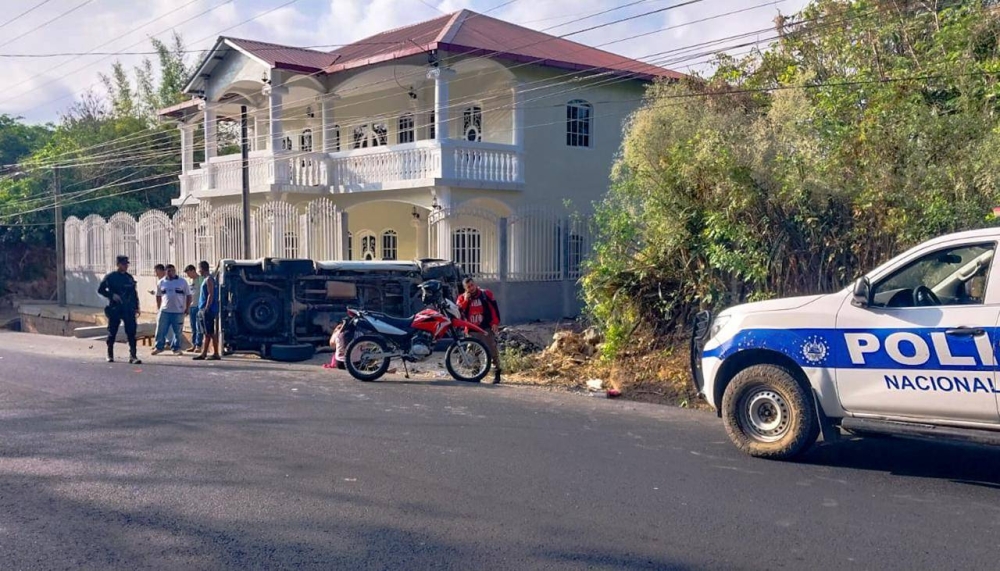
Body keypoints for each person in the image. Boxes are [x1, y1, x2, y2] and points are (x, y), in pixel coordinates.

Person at [97, 255, 142, 364]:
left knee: (131, 332)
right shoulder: (111, 277)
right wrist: (112, 295)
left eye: (127, 264)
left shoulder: (129, 278)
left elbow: (134, 293)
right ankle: (110, 354)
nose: (126, 266)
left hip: (128, 308)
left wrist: (136, 307)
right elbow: (101, 290)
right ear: (118, 265)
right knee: (112, 332)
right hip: (115, 308)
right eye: (123, 264)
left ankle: (133, 356)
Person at [456, 277, 502, 383]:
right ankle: (476, 373)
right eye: (468, 287)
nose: (471, 288)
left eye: (472, 285)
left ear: (475, 284)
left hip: (485, 328)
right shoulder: (462, 298)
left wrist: (495, 323)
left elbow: (494, 309)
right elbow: (459, 312)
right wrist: (466, 300)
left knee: (492, 351)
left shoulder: (485, 294)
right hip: (472, 329)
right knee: (472, 352)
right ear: (465, 288)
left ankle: (497, 373)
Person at [152, 264, 191, 356]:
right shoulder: (161, 282)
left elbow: (189, 296)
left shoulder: (182, 282)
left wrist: (187, 308)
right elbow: (158, 296)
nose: (171, 273)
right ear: (165, 271)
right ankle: (158, 347)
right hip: (165, 311)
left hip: (178, 311)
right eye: (169, 271)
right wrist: (159, 308)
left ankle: (176, 348)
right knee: (161, 330)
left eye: (173, 271)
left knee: (177, 331)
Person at [193, 260, 221, 361]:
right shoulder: (206, 279)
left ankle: (216, 353)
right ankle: (204, 353)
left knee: (210, 332)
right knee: (207, 332)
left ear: (201, 269)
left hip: (207, 309)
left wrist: (207, 308)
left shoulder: (209, 279)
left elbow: (211, 294)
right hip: (203, 308)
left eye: (199, 269)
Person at [184, 264, 205, 352]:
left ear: (193, 271)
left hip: (199, 306)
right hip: (192, 307)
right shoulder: (190, 282)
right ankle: (194, 344)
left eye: (189, 273)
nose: (188, 275)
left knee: (199, 327)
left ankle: (199, 345)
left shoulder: (201, 279)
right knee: (193, 327)